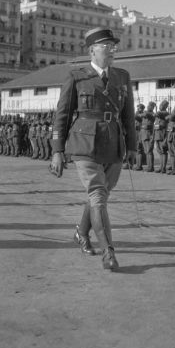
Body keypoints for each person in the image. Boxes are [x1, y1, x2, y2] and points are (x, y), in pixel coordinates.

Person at [50, 27, 137, 271]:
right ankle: (109, 252)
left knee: (99, 196)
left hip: (114, 144)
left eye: (113, 46)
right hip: (85, 143)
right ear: (92, 50)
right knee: (98, 195)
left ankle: (81, 233)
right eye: (106, 46)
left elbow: (128, 115)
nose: (112, 50)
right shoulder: (77, 77)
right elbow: (62, 116)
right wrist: (57, 150)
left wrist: (131, 145)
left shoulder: (122, 76)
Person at [153, 100, 170, 173]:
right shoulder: (158, 116)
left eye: (163, 105)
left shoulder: (165, 113)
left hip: (163, 135)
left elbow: (157, 113)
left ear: (166, 106)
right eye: (161, 104)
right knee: (159, 152)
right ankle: (161, 166)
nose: (161, 106)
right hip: (157, 135)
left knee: (163, 152)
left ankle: (163, 167)